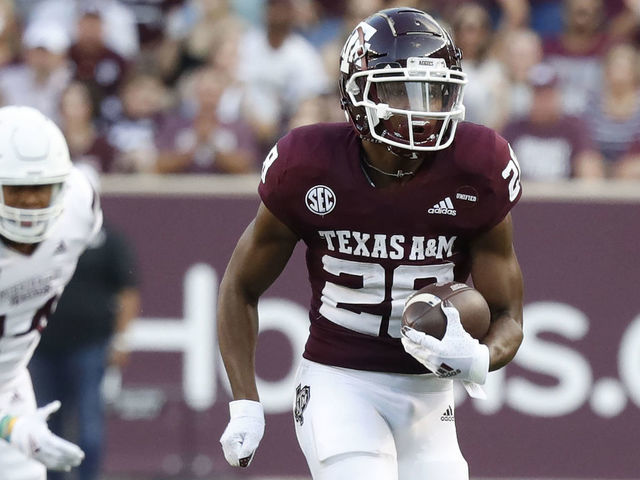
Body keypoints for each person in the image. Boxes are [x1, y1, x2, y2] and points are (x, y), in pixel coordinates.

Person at [218, 8, 524, 480]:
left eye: (435, 92)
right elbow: (240, 286)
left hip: (428, 394)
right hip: (340, 380)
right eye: (401, 89)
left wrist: (478, 358)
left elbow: (508, 316)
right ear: (357, 94)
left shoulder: (477, 167)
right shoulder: (308, 165)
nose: (421, 109)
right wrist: (244, 402)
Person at [0, 105, 103, 479]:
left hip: (8, 386)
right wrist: (11, 426)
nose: (29, 204)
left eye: (40, 190)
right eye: (17, 190)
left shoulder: (79, 206)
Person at [29, 165, 140, 480]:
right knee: (48, 424)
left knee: (90, 424)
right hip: (43, 344)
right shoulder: (41, 236)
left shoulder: (109, 240)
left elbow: (128, 291)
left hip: (90, 344)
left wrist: (121, 339)